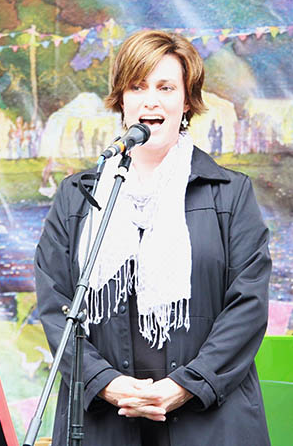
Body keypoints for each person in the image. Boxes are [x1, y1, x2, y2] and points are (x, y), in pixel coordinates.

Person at [35, 30, 271, 446]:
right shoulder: (78, 196)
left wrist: (187, 385)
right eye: (137, 86)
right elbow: (56, 305)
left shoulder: (230, 193)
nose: (150, 101)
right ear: (121, 99)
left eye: (165, 87)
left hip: (209, 421)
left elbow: (247, 306)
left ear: (186, 100)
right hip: (102, 422)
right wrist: (104, 382)